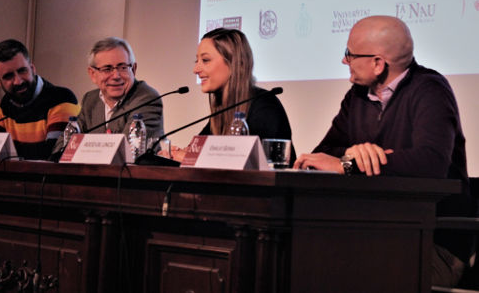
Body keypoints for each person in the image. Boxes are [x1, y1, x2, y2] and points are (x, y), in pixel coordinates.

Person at [293, 15, 473, 287]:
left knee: (340, 274)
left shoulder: (430, 90)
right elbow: (325, 153)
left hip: (432, 244)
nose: (345, 61)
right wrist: (354, 153)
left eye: (350, 54)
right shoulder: (356, 96)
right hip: (376, 232)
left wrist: (350, 165)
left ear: (378, 63)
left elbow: (431, 162)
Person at [172, 27, 295, 161]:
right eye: (197, 61)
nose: (196, 69)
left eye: (205, 60)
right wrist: (175, 154)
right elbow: (194, 151)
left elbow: (252, 164)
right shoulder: (222, 109)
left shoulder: (265, 106)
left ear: (235, 63)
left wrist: (190, 157)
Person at [56, 37, 163, 145]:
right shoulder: (90, 100)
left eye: (122, 67)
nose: (116, 76)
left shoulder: (146, 98)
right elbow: (63, 145)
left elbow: (126, 150)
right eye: (107, 69)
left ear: (134, 69)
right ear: (92, 74)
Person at [0, 39, 80, 160]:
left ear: (32, 68)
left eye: (22, 71)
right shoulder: (7, 103)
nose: (18, 81)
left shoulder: (61, 98)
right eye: (8, 76)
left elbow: (52, 158)